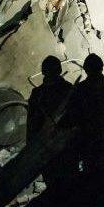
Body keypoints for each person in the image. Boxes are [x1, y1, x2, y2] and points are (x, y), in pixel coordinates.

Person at [27, 56, 76, 190]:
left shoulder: (37, 94)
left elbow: (31, 125)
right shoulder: (69, 89)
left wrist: (31, 149)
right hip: (67, 146)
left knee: (52, 186)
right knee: (71, 184)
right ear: (60, 70)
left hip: (45, 147)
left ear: (43, 72)